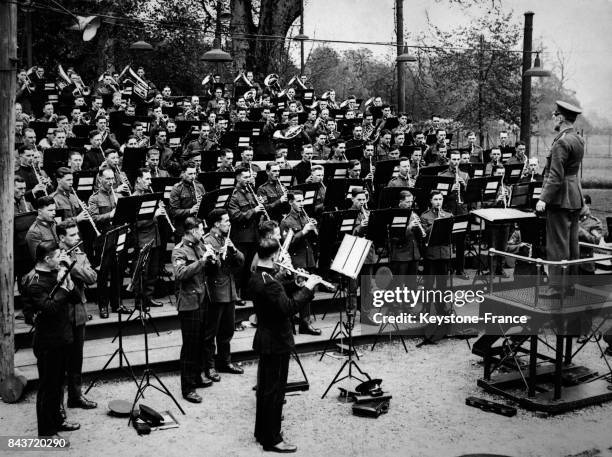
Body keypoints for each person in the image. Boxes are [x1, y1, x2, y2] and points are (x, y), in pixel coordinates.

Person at [250, 237, 322, 453]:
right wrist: (308, 288)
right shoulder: (269, 282)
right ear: (273, 256)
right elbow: (289, 308)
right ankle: (273, 440)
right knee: (275, 392)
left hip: (266, 338)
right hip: (276, 341)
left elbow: (276, 292)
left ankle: (262, 432)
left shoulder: (258, 276)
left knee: (265, 389)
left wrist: (295, 283)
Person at [22, 241, 82, 437]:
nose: (61, 259)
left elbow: (75, 299)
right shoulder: (35, 282)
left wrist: (68, 283)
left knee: (57, 386)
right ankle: (46, 432)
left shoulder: (56, 272)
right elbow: (50, 309)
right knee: (47, 389)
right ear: (47, 259)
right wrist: (63, 287)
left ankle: (57, 421)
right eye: (57, 256)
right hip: (48, 343)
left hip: (63, 338)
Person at [536, 101, 585, 298]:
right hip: (574, 196)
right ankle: (570, 286)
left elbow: (555, 176)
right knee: (572, 243)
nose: (553, 119)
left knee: (557, 244)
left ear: (562, 117)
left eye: (555, 115)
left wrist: (543, 199)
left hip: (559, 198)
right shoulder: (578, 139)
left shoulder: (562, 142)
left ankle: (556, 288)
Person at [172, 217, 217, 402]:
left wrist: (213, 260)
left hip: (203, 299)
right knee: (190, 347)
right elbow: (180, 274)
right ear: (190, 231)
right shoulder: (179, 250)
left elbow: (210, 268)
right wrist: (202, 261)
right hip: (189, 303)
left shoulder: (200, 245)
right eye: (200, 229)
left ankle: (197, 376)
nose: (202, 232)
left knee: (201, 342)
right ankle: (188, 388)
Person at [57, 221, 98, 410]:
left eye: (76, 234)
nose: (77, 238)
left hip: (79, 312)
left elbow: (92, 278)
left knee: (76, 358)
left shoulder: (80, 255)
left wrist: (72, 267)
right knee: (58, 363)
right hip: (60, 313)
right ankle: (57, 406)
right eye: (72, 235)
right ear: (62, 238)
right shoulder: (52, 255)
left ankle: (75, 397)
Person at [202, 209, 245, 382]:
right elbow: (210, 268)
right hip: (215, 291)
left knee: (227, 330)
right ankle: (209, 366)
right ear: (216, 224)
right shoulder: (207, 241)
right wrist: (219, 254)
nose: (229, 223)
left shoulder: (227, 239)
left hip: (229, 290)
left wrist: (233, 250)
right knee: (210, 332)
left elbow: (241, 262)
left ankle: (225, 361)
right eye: (226, 221)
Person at [280, 191, 321, 335]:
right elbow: (286, 244)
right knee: (301, 291)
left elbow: (314, 239)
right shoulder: (286, 221)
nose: (301, 203)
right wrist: (304, 231)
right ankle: (303, 323)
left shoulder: (305, 216)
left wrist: (314, 228)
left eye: (302, 200)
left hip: (308, 257)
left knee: (308, 291)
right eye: (298, 201)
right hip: (296, 259)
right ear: (290, 202)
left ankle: (305, 323)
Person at [169, 161, 206, 241]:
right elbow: (173, 212)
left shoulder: (199, 186)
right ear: (183, 173)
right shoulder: (177, 189)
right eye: (190, 174)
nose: (193, 177)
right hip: (183, 230)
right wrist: (190, 210)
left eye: (194, 173)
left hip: (198, 228)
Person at [26, 196, 60, 261]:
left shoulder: (53, 223)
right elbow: (38, 260)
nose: (54, 213)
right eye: (50, 210)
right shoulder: (34, 232)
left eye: (54, 210)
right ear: (40, 212)